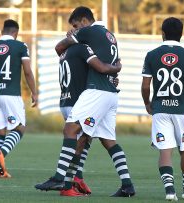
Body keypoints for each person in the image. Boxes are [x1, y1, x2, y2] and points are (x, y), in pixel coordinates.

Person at [35, 6, 135, 197]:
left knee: (71, 130)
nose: (74, 29)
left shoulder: (87, 32)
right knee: (108, 141)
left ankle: (60, 178)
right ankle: (127, 185)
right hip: (111, 93)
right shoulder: (109, 35)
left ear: (83, 20)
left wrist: (70, 36)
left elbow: (60, 46)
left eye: (75, 25)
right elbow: (115, 60)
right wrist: (118, 67)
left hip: (96, 91)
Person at [141, 17, 184, 201]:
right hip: (183, 110)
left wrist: (147, 102)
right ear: (181, 34)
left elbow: (145, 86)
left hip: (160, 110)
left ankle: (169, 191)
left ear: (163, 33)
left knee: (165, 151)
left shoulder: (151, 55)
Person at [58, 43, 122, 196]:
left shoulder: (65, 52)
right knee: (81, 140)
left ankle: (76, 178)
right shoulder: (83, 49)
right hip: (79, 101)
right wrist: (116, 69)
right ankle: (67, 182)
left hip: (65, 100)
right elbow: (100, 68)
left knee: (85, 138)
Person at [0, 19, 37, 178]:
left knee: (0, 129)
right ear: (16, 33)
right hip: (11, 95)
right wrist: (34, 92)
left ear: (2, 31)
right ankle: (2, 152)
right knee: (19, 128)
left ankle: (0, 170)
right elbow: (27, 72)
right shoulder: (20, 46)